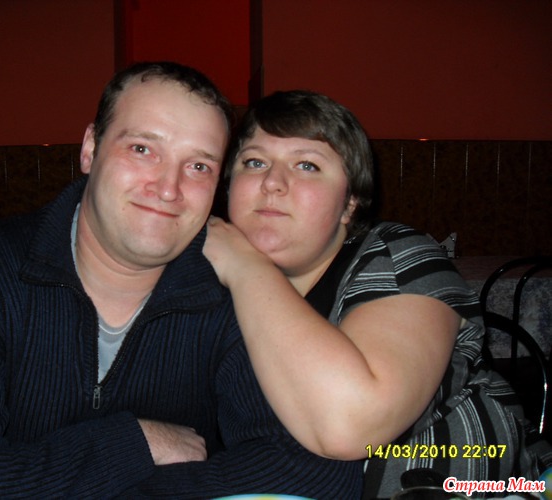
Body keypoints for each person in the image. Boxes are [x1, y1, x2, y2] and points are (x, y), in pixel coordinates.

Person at [0, 64, 363, 498]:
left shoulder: (231, 292)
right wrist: (132, 443)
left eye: (198, 166)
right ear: (90, 149)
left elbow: (320, 471)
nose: (168, 188)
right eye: (142, 149)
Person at [203, 89, 551, 499]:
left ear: (349, 204)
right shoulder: (208, 279)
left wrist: (247, 267)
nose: (272, 183)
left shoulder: (399, 255)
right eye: (254, 162)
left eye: (307, 165)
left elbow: (349, 424)